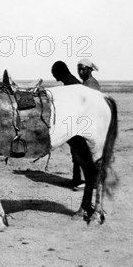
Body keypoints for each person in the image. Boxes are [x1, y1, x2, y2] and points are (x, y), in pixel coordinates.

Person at [50, 60, 84, 190]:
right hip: (75, 123)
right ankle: (77, 179)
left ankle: (80, 181)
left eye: (54, 73)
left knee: (78, 154)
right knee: (76, 153)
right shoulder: (70, 82)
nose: (54, 76)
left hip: (77, 124)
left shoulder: (70, 84)